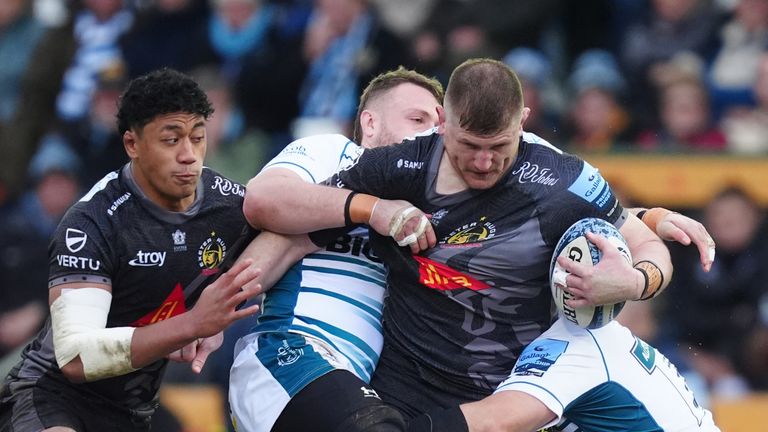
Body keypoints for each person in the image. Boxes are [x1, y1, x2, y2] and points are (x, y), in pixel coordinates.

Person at [241, 58, 703, 427]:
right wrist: (223, 304)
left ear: (522, 122)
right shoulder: (398, 167)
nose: (483, 163)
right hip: (403, 394)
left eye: (499, 147)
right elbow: (291, 222)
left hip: (505, 398)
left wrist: (633, 282)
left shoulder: (561, 179)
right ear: (445, 124)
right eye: (468, 146)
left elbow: (644, 243)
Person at [0, 68, 262, 431]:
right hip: (53, 397)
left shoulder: (226, 204)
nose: (189, 155)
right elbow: (75, 357)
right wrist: (194, 323)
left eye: (197, 137)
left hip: (132, 411)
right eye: (171, 140)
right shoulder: (93, 221)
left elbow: (289, 235)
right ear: (132, 145)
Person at [229, 66, 444, 432]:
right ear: (370, 123)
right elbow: (262, 199)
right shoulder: (336, 153)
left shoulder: (432, 200)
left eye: (437, 126)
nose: (430, 134)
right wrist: (373, 210)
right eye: (417, 119)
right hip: (289, 356)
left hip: (360, 386)